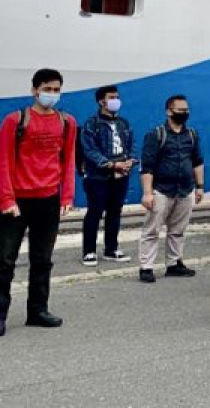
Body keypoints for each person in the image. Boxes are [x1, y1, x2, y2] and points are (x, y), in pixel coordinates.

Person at [0, 69, 76, 336]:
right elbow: (4, 161)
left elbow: (68, 161)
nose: (51, 94)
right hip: (17, 202)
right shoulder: (15, 120)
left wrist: (66, 196)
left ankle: (38, 310)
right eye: (47, 89)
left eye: (56, 90)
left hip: (49, 200)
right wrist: (7, 198)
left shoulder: (67, 122)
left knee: (43, 259)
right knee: (5, 260)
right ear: (34, 90)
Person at [137, 95, 203, 283]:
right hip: (161, 190)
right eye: (180, 110)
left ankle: (174, 264)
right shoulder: (156, 134)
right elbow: (147, 166)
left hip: (185, 190)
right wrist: (147, 193)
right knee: (152, 230)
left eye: (186, 110)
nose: (184, 113)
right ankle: (146, 267)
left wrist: (200, 187)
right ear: (169, 111)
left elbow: (197, 162)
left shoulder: (192, 134)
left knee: (178, 230)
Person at [79, 85, 134, 266]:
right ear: (101, 101)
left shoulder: (124, 123)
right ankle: (89, 251)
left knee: (115, 212)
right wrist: (111, 165)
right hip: (98, 177)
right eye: (111, 97)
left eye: (117, 97)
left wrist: (129, 162)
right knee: (95, 212)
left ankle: (111, 249)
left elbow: (131, 145)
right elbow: (90, 151)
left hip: (121, 175)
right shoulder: (91, 124)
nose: (116, 100)